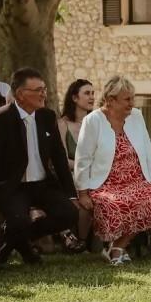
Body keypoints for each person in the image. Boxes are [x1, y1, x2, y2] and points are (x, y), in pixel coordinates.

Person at [0, 68, 79, 268]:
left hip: (42, 184)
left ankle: (10, 240)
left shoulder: (47, 116)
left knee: (69, 214)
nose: (44, 93)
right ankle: (24, 248)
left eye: (44, 89)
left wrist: (71, 194)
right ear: (21, 94)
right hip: (14, 187)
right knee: (19, 221)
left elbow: (59, 158)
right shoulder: (2, 118)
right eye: (38, 90)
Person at [74, 75, 151, 265]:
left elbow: (147, 149)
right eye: (127, 99)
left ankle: (117, 247)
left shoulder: (136, 116)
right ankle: (116, 250)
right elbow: (83, 158)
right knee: (115, 204)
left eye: (132, 98)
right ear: (110, 100)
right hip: (105, 183)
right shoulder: (93, 120)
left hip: (135, 180)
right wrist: (83, 193)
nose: (132, 103)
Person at [58, 79, 95, 245]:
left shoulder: (96, 124)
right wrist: (85, 167)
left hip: (96, 172)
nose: (92, 97)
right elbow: (61, 159)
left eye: (93, 93)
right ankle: (81, 240)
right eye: (87, 93)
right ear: (74, 98)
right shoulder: (62, 124)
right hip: (72, 174)